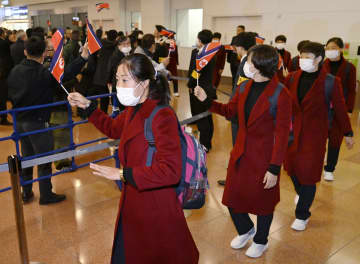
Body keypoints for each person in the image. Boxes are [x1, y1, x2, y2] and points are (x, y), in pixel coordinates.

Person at [68, 53, 199, 264]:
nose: (118, 85)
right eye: (117, 79)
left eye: (124, 80)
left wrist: (122, 173)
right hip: (134, 200)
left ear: (145, 83)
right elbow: (112, 128)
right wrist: (88, 106)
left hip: (155, 204)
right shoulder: (134, 109)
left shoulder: (161, 116)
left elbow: (171, 171)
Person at [194, 44, 292, 258]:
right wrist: (208, 101)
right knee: (231, 197)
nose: (244, 64)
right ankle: (247, 230)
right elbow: (231, 111)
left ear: (259, 66)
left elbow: (283, 134)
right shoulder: (243, 87)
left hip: (265, 158)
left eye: (248, 61)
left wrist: (274, 168)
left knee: (264, 203)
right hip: (241, 153)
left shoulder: (280, 94)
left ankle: (261, 240)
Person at [7, 36, 89, 204]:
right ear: (44, 53)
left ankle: (26, 192)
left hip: (20, 122)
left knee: (27, 157)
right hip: (38, 122)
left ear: (25, 52)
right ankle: (46, 194)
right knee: (44, 159)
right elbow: (66, 73)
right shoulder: (43, 73)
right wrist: (83, 58)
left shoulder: (15, 70)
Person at [284, 42, 354, 231]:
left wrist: (348, 132)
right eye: (301, 56)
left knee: (308, 173)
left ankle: (302, 214)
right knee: (291, 168)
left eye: (307, 57)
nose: (302, 60)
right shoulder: (291, 78)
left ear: (318, 59)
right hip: (291, 134)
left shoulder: (330, 82)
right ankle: (303, 193)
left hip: (314, 136)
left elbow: (340, 109)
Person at [217, 32, 256, 186]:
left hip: (241, 113)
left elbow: (242, 90)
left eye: (235, 47)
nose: (234, 50)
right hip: (243, 112)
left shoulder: (247, 64)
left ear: (240, 47)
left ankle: (237, 178)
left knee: (239, 146)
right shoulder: (248, 61)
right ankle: (240, 176)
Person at [322, 37, 357, 181]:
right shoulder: (322, 65)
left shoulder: (349, 67)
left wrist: (348, 110)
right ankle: (317, 163)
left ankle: (329, 168)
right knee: (318, 138)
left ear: (341, 49)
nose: (330, 51)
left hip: (339, 109)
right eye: (328, 48)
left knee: (335, 140)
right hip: (322, 108)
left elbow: (351, 90)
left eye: (334, 48)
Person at [187, 30, 216, 152]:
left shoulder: (204, 55)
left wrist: (190, 83)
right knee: (207, 116)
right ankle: (207, 142)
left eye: (197, 38)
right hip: (206, 87)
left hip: (201, 89)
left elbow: (196, 72)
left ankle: (204, 145)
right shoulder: (203, 52)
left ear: (200, 40)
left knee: (203, 117)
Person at [88, 29, 117, 113]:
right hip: (107, 75)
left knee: (93, 95)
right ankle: (103, 115)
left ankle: (91, 113)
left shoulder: (100, 44)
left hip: (98, 73)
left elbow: (92, 57)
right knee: (105, 98)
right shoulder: (115, 48)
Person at [107, 35, 132, 112]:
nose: (127, 46)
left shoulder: (128, 54)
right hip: (120, 85)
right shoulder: (116, 56)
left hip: (128, 85)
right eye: (124, 44)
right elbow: (111, 71)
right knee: (121, 109)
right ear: (119, 45)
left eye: (128, 43)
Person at [0, 27, 14, 125]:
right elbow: (8, 58)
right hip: (3, 73)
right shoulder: (4, 43)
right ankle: (3, 118)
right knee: (3, 96)